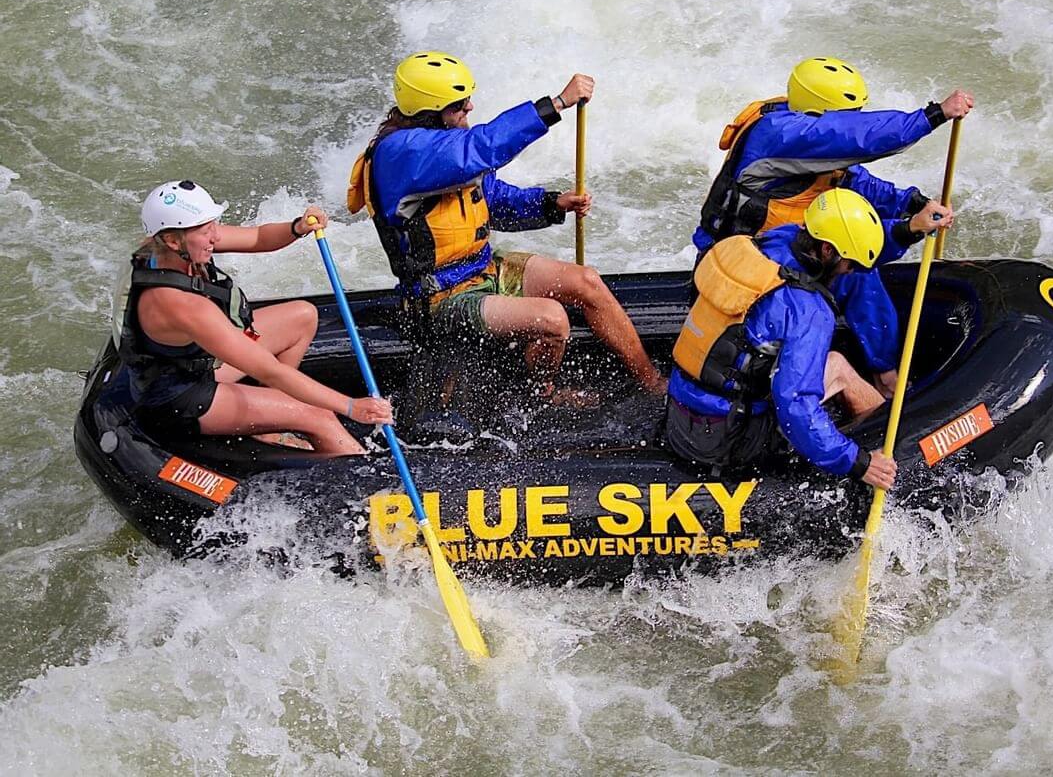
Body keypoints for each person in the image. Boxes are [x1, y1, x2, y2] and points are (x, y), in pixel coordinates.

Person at [346, 51, 665, 401]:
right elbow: (483, 147)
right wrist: (556, 103)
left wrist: (550, 204)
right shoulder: (401, 155)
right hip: (440, 298)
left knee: (586, 280)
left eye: (467, 100)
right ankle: (539, 395)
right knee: (552, 319)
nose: (468, 108)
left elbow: (491, 201)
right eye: (458, 104)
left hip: (483, 269)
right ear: (428, 112)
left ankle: (651, 382)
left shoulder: (444, 146)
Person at [692, 56, 973, 398]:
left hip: (778, 250)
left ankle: (882, 367)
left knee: (850, 247)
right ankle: (886, 380)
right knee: (855, 270)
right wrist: (934, 115)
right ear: (819, 114)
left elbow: (850, 177)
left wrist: (913, 203)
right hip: (743, 265)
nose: (853, 120)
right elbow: (860, 137)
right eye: (848, 114)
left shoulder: (803, 131)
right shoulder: (781, 135)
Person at [665, 188, 950, 488]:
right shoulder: (807, 311)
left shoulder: (772, 242)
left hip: (683, 418)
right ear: (827, 250)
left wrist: (908, 229)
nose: (851, 270)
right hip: (727, 442)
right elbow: (794, 405)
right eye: (849, 263)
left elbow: (849, 245)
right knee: (837, 366)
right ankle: (898, 458)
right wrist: (858, 462)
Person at [113, 179, 392, 455]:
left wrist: (297, 227)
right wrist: (351, 407)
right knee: (318, 415)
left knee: (302, 316)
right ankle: (373, 492)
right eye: (205, 229)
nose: (215, 236)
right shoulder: (181, 305)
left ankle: (269, 425)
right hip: (179, 398)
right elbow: (270, 370)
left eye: (213, 224)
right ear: (173, 240)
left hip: (192, 364)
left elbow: (258, 237)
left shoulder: (175, 246)